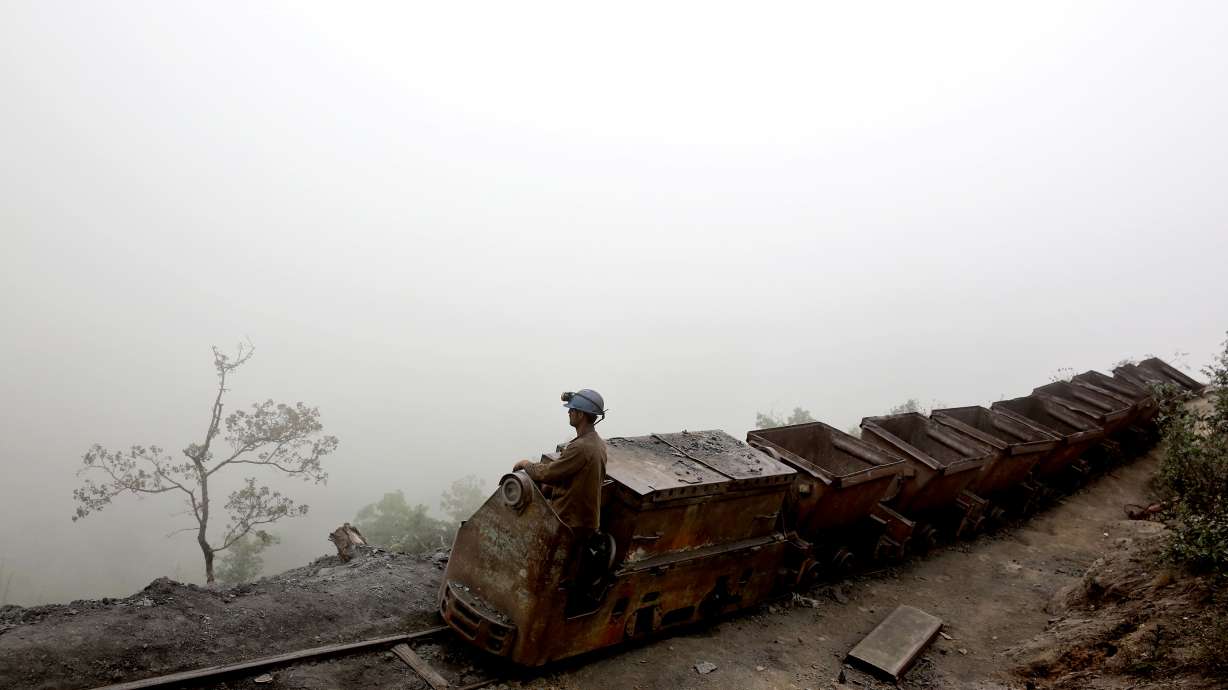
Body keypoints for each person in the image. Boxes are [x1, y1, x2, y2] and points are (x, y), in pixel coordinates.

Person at [513, 389, 607, 536]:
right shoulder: (598, 443)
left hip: (571, 523)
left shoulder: (581, 447)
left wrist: (526, 464)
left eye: (572, 409)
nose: (568, 412)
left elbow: (548, 473)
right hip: (584, 522)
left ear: (581, 414)